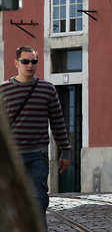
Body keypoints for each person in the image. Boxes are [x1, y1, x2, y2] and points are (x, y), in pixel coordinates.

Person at [0, 45, 71, 230]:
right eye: (25, 61)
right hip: (10, 159)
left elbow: (57, 121)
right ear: (16, 63)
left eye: (34, 61)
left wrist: (66, 150)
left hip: (37, 154)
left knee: (38, 200)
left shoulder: (47, 89)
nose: (30, 65)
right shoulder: (4, 90)